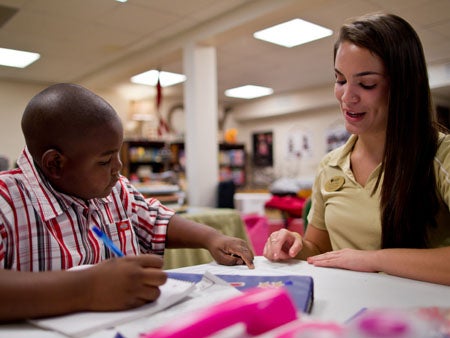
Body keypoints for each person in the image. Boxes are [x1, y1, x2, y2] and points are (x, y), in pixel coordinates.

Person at [0, 83, 254, 322]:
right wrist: (87, 289)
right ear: (55, 163)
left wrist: (211, 238)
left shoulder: (114, 189)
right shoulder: (6, 201)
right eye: (104, 161)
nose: (118, 168)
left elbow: (154, 220)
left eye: (118, 155)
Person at [264, 12, 450, 286]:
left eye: (367, 84)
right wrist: (295, 246)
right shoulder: (331, 165)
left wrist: (374, 259)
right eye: (340, 80)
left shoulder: (441, 154)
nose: (347, 97)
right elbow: (318, 251)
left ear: (403, 86)